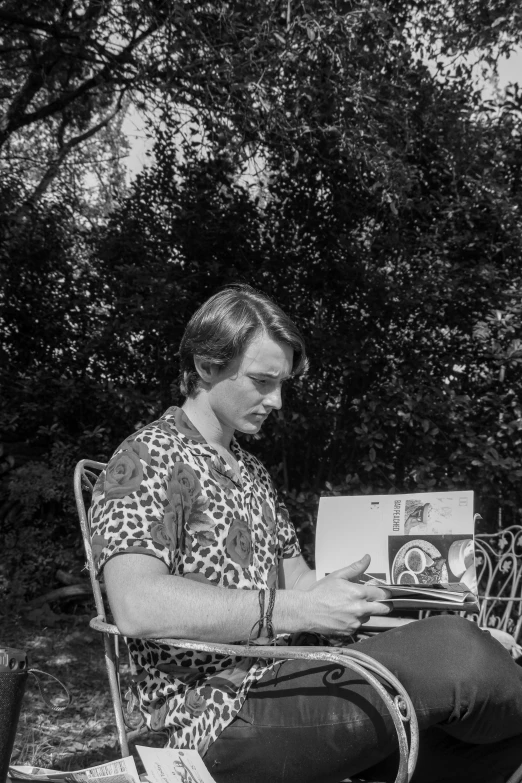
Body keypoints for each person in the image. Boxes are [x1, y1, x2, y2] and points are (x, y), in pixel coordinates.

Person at [90, 284, 522, 783]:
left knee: (500, 754)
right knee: (459, 651)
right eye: (261, 381)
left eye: (282, 384)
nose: (276, 401)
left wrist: (374, 613)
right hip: (210, 720)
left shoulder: (252, 472)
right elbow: (138, 604)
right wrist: (302, 609)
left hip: (291, 679)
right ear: (207, 367)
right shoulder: (146, 457)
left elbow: (301, 585)